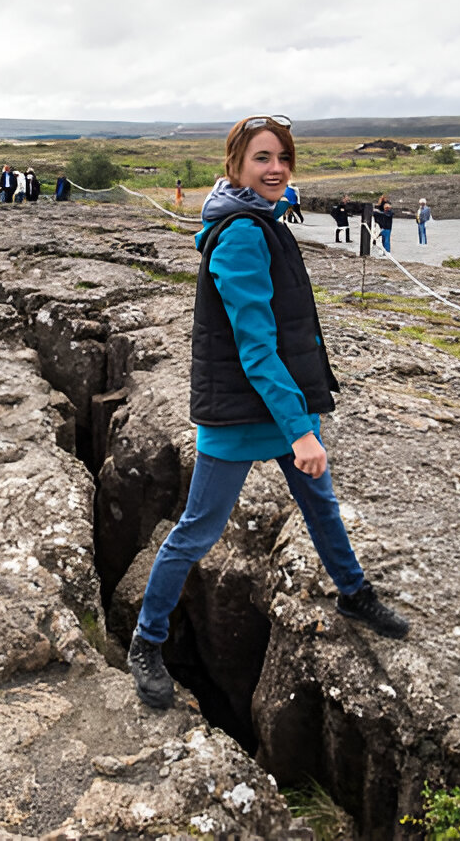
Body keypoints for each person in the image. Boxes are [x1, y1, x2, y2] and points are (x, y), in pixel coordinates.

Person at [126, 114, 410, 711]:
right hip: (242, 411)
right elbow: (256, 348)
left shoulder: (261, 216)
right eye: (261, 158)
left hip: (280, 403)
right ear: (236, 166)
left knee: (320, 506)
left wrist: (298, 419)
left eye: (283, 156)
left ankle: (353, 592)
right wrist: (302, 431)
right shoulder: (242, 234)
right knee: (196, 531)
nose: (276, 167)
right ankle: (146, 642)